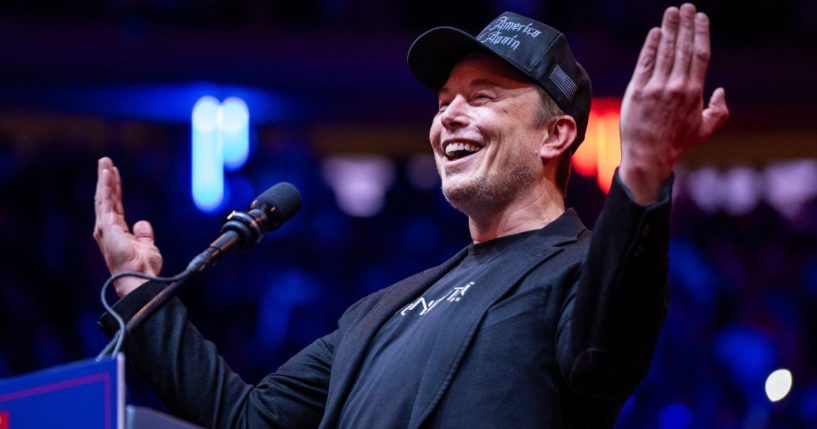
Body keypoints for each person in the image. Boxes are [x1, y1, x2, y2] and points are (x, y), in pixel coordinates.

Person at [94, 4, 728, 428]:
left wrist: (643, 171)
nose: (447, 115)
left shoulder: (587, 271)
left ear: (556, 136)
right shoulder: (377, 312)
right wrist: (136, 289)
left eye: (481, 98)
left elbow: (601, 354)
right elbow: (247, 419)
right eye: (444, 100)